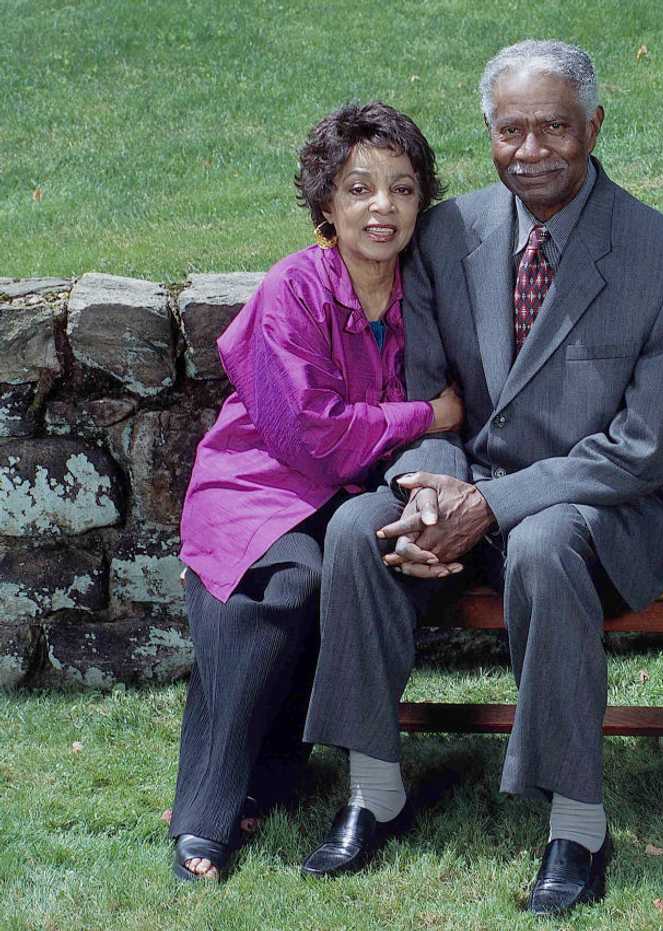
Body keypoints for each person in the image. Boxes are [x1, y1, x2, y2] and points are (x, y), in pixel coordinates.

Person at [300, 40, 663, 917]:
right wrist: (434, 491)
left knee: (545, 545)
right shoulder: (448, 232)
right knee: (351, 532)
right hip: (461, 488)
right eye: (511, 129)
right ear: (489, 133)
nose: (532, 149)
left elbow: (639, 450)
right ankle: (373, 790)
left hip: (596, 511)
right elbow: (422, 390)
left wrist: (490, 503)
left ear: (594, 126)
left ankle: (577, 823)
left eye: (555, 127)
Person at [168, 101, 462, 882]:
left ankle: (272, 777)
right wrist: (424, 413)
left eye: (402, 189)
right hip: (257, 483)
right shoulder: (294, 286)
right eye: (359, 187)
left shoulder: (419, 294)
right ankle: (204, 814)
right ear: (326, 201)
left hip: (346, 491)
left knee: (347, 561)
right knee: (282, 581)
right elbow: (310, 434)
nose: (382, 207)